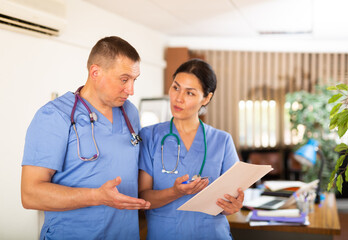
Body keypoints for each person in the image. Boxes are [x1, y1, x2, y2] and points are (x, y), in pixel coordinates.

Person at [21, 36, 151, 240]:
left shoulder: (129, 113)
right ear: (95, 72)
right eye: (124, 79)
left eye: (135, 80)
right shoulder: (55, 116)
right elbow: (30, 194)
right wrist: (96, 197)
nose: (131, 90)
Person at [138, 59, 244, 240]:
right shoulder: (150, 136)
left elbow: (233, 198)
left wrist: (234, 206)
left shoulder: (222, 141)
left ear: (206, 98)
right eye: (176, 88)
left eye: (190, 93)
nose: (178, 98)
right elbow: (142, 199)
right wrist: (176, 192)